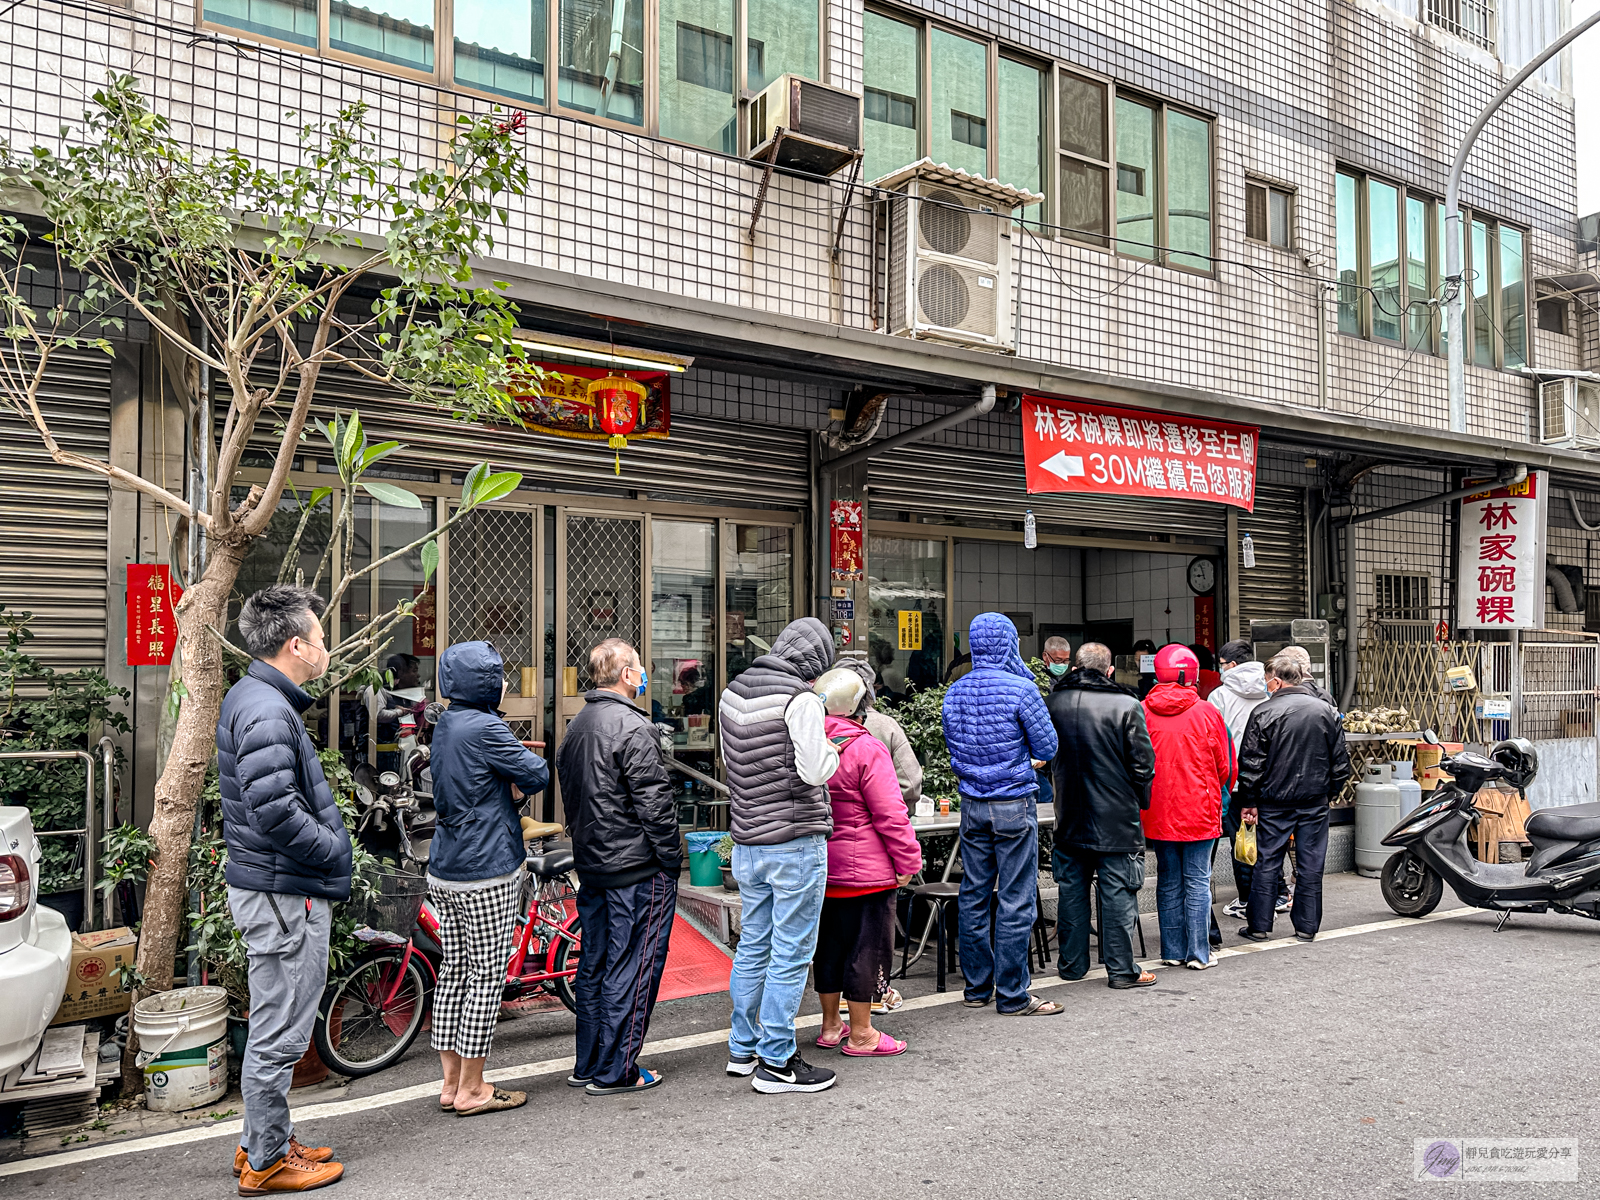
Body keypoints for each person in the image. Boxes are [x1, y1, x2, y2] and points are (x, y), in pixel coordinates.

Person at [218, 585, 350, 1193]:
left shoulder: (257, 697)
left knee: (278, 1019)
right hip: (281, 889)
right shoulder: (268, 709)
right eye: (320, 639)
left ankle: (260, 1143)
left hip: (274, 884)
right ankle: (268, 1162)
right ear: (296, 645)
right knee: (281, 1029)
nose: (325, 649)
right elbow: (275, 812)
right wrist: (332, 851)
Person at [719, 616, 842, 1094]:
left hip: (749, 841)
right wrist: (831, 746)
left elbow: (733, 762)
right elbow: (815, 770)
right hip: (794, 841)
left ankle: (742, 1049)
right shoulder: (801, 699)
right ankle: (777, 1062)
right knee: (791, 952)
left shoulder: (734, 690)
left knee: (754, 946)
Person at [427, 640, 549, 1116]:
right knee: (486, 977)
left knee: (454, 973)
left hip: (446, 867)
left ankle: (451, 1083)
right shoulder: (485, 727)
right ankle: (475, 1089)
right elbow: (536, 772)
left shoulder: (446, 723)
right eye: (499, 677)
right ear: (487, 682)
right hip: (486, 868)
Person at [559, 639, 681, 1096]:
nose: (644, 672)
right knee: (634, 966)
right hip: (635, 868)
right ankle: (617, 1070)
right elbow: (655, 804)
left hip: (594, 865)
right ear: (627, 675)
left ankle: (589, 1063)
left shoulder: (578, 725)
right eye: (639, 666)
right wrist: (670, 858)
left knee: (595, 963)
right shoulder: (633, 726)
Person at [941, 613, 1060, 1016]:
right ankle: (1013, 993)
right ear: (1008, 642)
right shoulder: (1022, 689)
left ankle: (977, 988)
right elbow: (1047, 747)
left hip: (971, 803)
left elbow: (953, 749)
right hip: (1012, 802)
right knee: (1015, 897)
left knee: (974, 893)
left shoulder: (954, 692)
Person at [810, 668, 923, 1057]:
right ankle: (862, 1034)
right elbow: (891, 814)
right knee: (866, 950)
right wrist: (908, 860)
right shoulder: (866, 747)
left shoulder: (806, 743)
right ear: (860, 706)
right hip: (867, 874)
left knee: (828, 947)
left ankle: (830, 1026)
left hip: (820, 868)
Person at [1049, 642, 1157, 989]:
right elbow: (1143, 765)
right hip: (1115, 819)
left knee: (1072, 894)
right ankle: (1122, 971)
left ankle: (1072, 965)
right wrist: (1138, 800)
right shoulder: (1126, 704)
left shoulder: (1053, 703)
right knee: (1118, 895)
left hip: (1068, 814)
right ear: (1109, 671)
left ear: (1075, 668)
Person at [1235, 654, 1351, 943]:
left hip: (1274, 801)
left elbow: (1251, 764)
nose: (1266, 685)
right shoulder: (1325, 711)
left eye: (1267, 681)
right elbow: (1341, 763)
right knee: (1312, 862)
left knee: (1267, 861)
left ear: (1276, 681)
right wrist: (1331, 792)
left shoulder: (1263, 712)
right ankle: (1307, 926)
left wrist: (1248, 801)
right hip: (1314, 800)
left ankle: (1259, 926)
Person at [1142, 645, 1234, 970]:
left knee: (1168, 880)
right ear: (1191, 675)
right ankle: (1199, 953)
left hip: (1157, 810)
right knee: (1197, 880)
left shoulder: (1142, 711)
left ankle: (1172, 950)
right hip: (1199, 809)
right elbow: (1225, 766)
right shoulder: (1207, 712)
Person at [1209, 640, 1283, 920]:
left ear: (1232, 665)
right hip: (1268, 778)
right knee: (1265, 840)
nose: (1220, 669)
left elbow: (1214, 741)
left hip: (1235, 780)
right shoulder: (1271, 690)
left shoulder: (1220, 696)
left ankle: (1247, 901)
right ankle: (1271, 898)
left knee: (1241, 841)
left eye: (1222, 664)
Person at [840, 658, 923, 808]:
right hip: (882, 819)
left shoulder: (817, 723)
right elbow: (910, 784)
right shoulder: (886, 726)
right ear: (872, 690)